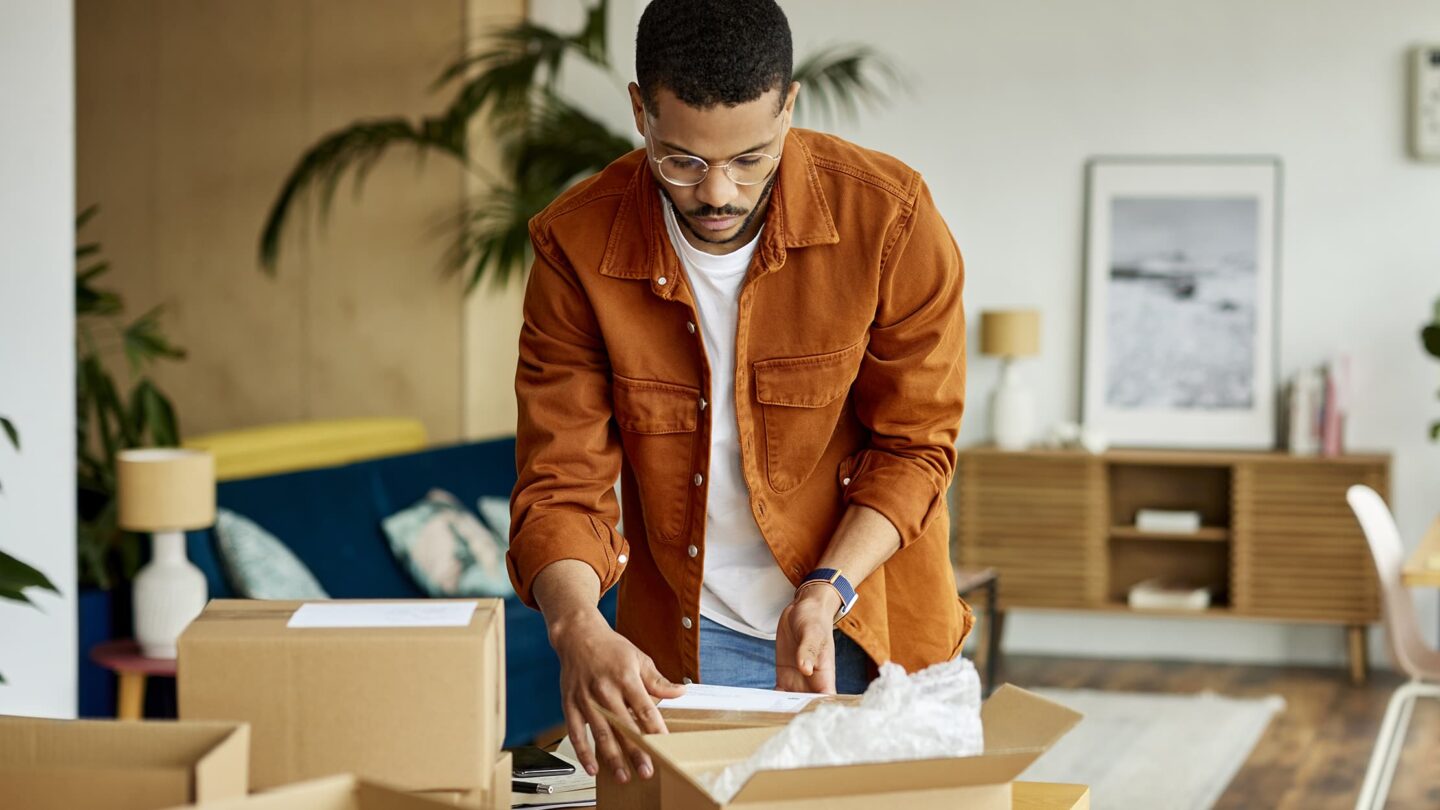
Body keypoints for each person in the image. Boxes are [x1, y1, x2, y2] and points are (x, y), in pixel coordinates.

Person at [505, 0, 972, 785]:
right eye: (681, 160)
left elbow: (916, 445)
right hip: (688, 644)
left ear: (789, 107)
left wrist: (824, 592)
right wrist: (577, 625)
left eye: (751, 159)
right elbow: (561, 484)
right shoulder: (575, 249)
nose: (717, 192)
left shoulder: (889, 219)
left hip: (873, 618)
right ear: (639, 112)